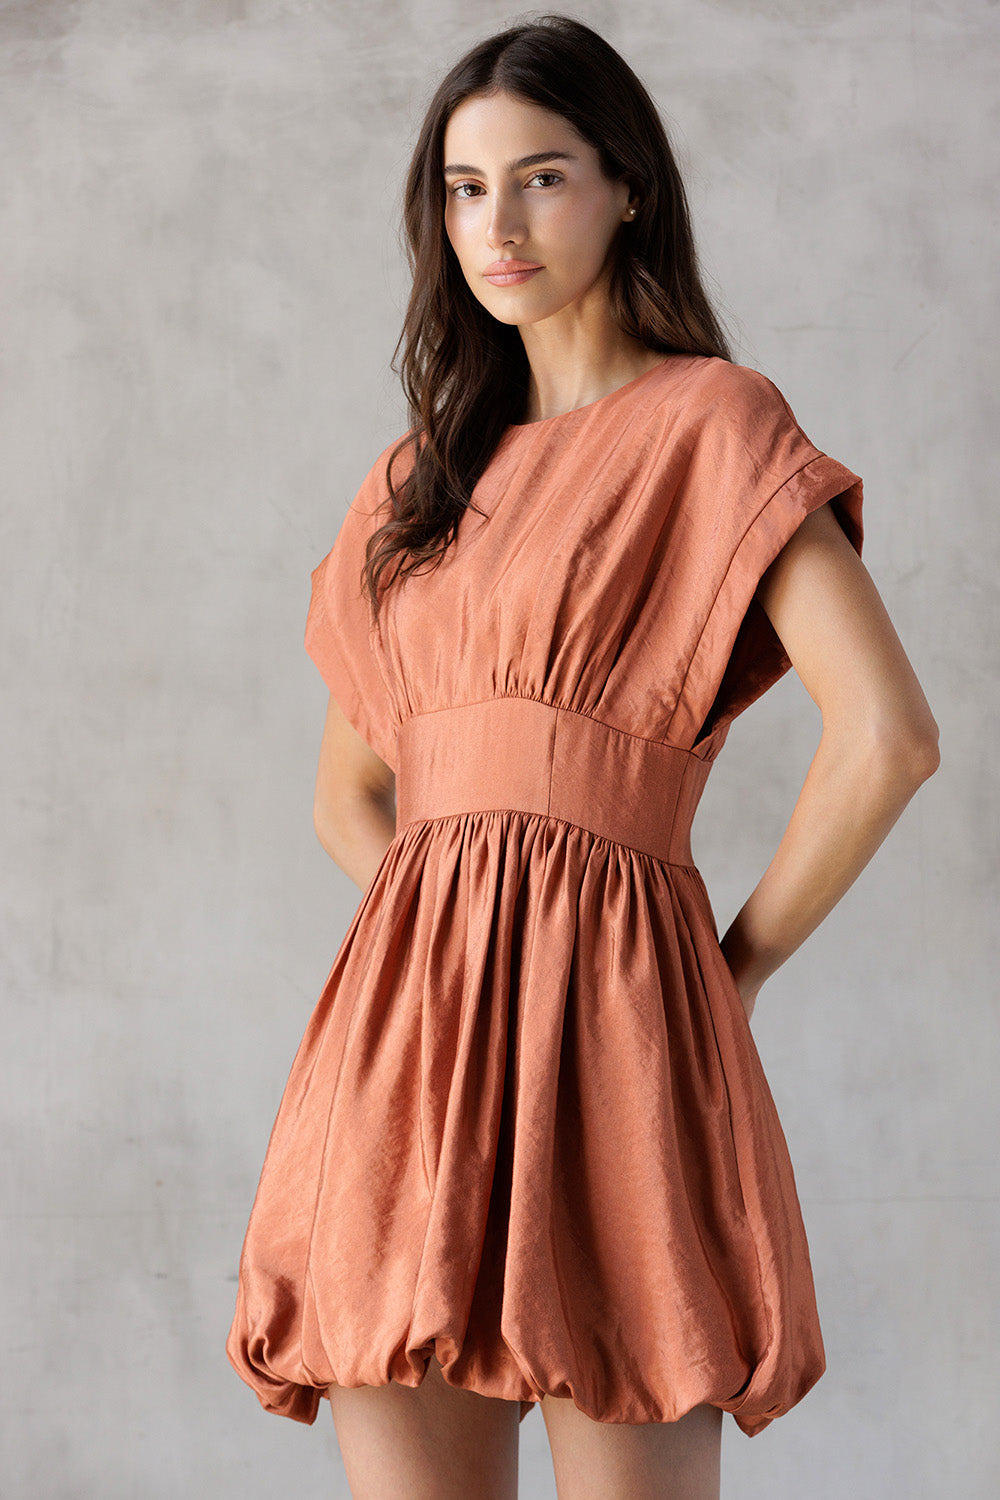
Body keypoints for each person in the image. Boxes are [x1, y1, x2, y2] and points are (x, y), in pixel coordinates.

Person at [226, 15, 940, 1499]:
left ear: (628, 189)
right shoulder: (412, 483)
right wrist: (456, 941)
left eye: (541, 178)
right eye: (464, 187)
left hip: (618, 1041)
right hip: (407, 1065)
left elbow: (888, 739)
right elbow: (347, 796)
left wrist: (715, 978)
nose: (498, 224)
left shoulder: (713, 425)